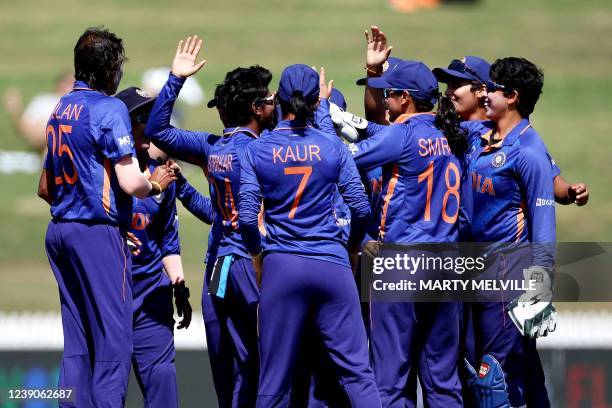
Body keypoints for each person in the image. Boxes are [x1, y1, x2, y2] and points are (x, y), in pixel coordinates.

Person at [38, 27, 176, 407]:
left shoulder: (60, 107)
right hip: (94, 234)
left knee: (78, 340)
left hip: (59, 232)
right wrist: (158, 184)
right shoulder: (110, 108)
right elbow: (132, 183)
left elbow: (44, 187)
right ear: (109, 69)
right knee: (115, 342)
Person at [239, 63, 381, 408]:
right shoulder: (331, 146)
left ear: (279, 99)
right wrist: (351, 249)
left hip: (282, 266)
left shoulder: (257, 149)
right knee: (358, 375)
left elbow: (246, 218)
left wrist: (259, 258)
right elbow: (361, 208)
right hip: (332, 265)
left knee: (273, 381)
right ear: (318, 101)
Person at [144, 35, 276, 407]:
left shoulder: (211, 147)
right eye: (268, 101)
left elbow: (156, 131)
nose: (274, 105)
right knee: (264, 365)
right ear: (256, 108)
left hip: (218, 269)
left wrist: (175, 78)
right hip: (254, 266)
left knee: (225, 369)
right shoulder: (269, 150)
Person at [346, 27, 467, 407]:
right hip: (449, 264)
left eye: (388, 94)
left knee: (391, 382)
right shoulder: (453, 134)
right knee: (443, 383)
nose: (383, 101)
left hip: (401, 261)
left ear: (404, 99)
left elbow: (342, 163)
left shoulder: (403, 136)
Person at [462, 57, 557, 407]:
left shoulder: (529, 152)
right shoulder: (481, 136)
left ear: (513, 96)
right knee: (499, 376)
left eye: (493, 89)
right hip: (476, 276)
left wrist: (540, 290)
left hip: (508, 280)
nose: (484, 94)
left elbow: (544, 226)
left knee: (495, 382)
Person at [115, 87, 193, 408]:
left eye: (150, 117)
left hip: (152, 296)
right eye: (140, 118)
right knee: (108, 386)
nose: (147, 125)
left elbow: (167, 240)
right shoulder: (106, 171)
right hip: (112, 294)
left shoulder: (162, 173)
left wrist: (179, 287)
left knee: (162, 382)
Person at [433, 56, 589, 206]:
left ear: (482, 90)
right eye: (448, 86)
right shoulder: (448, 127)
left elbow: (550, 180)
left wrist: (570, 192)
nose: (447, 92)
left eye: (456, 85)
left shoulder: (511, 136)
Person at [4, 72, 73, 154]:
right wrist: (16, 111)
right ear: (59, 84)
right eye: (68, 83)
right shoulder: (42, 101)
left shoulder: (79, 105)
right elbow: (24, 128)